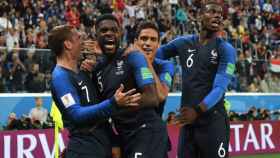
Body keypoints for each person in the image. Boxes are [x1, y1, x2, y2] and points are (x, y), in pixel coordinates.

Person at [156, 2, 237, 158]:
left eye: (220, 14)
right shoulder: (182, 43)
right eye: (212, 12)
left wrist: (198, 110)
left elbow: (219, 89)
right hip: (188, 121)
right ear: (200, 16)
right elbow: (155, 55)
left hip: (213, 121)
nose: (218, 15)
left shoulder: (226, 49)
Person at [49, 25, 141, 158]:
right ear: (68, 44)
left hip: (101, 145)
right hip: (84, 149)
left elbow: (96, 108)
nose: (83, 40)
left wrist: (113, 141)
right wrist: (113, 103)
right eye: (78, 37)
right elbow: (76, 114)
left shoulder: (82, 72)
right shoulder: (60, 78)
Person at [85, 14, 169, 158]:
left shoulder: (133, 57)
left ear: (121, 34)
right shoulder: (96, 68)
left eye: (114, 30)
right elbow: (101, 111)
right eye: (104, 31)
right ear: (96, 35)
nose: (109, 34)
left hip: (146, 131)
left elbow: (153, 97)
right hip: (125, 137)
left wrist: (117, 105)